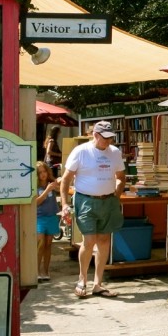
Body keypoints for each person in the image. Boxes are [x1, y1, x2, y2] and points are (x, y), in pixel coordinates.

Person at [60, 120, 126, 298]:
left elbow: (121, 176)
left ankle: (98, 284)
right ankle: (82, 279)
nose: (108, 141)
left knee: (104, 240)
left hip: (108, 201)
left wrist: (116, 196)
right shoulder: (81, 151)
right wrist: (65, 204)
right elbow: (66, 179)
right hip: (86, 200)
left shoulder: (115, 152)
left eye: (111, 138)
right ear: (95, 135)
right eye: (105, 138)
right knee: (89, 241)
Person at [34, 161, 61, 281]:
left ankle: (46, 271)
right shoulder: (35, 186)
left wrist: (59, 182)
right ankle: (36, 271)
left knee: (49, 243)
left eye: (44, 171)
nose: (43, 174)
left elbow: (62, 188)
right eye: (40, 173)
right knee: (40, 244)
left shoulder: (51, 183)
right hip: (39, 217)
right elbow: (36, 203)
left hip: (51, 217)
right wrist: (47, 191)